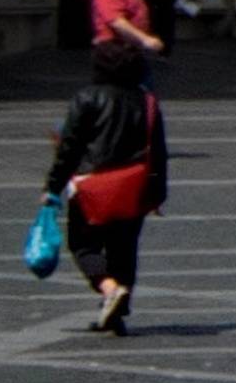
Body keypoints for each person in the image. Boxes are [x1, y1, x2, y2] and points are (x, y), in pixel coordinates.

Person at [42, 23, 165, 334]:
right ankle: (118, 312)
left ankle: (109, 289)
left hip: (93, 184)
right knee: (125, 249)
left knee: (83, 244)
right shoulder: (147, 101)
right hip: (134, 185)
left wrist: (53, 187)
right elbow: (158, 151)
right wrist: (157, 193)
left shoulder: (87, 98)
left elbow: (70, 149)